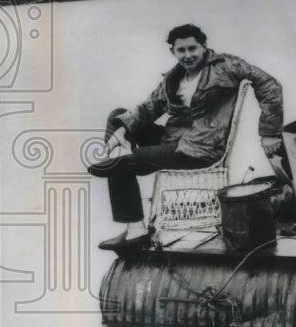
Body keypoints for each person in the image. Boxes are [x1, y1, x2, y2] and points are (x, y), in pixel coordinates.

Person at [89, 24, 284, 250]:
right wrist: (123, 131)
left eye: (193, 48)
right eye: (181, 50)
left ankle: (136, 229)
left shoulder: (226, 66)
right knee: (117, 117)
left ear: (204, 47)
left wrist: (269, 133)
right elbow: (150, 107)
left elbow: (269, 85)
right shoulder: (175, 76)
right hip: (174, 141)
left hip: (201, 147)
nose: (188, 55)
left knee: (122, 164)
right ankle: (118, 157)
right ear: (173, 51)